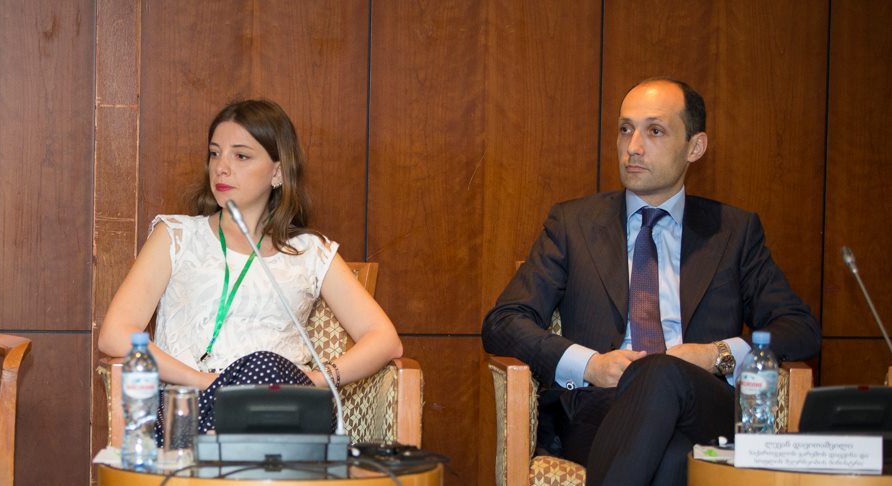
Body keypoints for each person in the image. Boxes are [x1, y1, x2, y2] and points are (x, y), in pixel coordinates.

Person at [482, 78, 820, 486]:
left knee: (663, 372)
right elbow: (504, 321)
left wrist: (713, 356)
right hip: (600, 410)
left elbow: (799, 328)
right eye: (625, 129)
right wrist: (591, 365)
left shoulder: (733, 232)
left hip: (704, 407)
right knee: (673, 457)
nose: (633, 147)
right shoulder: (573, 225)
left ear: (695, 147)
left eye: (654, 131)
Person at [97, 99, 403, 437]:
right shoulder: (176, 236)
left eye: (241, 156)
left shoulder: (309, 251)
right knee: (260, 371)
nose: (221, 167)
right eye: (215, 153)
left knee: (267, 368)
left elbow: (385, 339)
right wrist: (203, 381)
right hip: (195, 406)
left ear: (278, 172)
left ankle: (239, 442)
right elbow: (115, 334)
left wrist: (318, 379)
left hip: (286, 407)